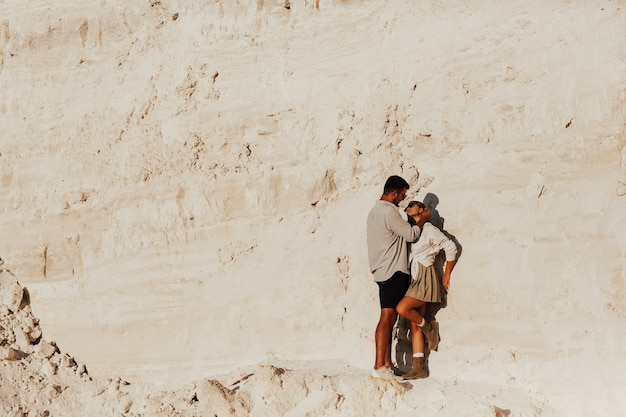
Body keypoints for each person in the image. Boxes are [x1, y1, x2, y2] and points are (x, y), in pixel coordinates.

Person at [366, 176, 423, 379]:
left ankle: (387, 364)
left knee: (387, 318)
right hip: (393, 271)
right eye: (402, 195)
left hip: (381, 270)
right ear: (394, 193)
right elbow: (411, 235)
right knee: (387, 318)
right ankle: (379, 365)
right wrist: (422, 221)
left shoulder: (374, 212)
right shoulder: (389, 212)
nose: (402, 200)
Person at [396, 200, 458, 379]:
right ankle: (419, 367)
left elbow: (450, 247)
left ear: (422, 210)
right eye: (407, 207)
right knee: (414, 324)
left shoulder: (430, 229)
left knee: (403, 309)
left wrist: (447, 274)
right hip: (414, 276)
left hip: (425, 276)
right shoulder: (411, 229)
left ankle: (430, 327)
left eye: (412, 205)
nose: (408, 208)